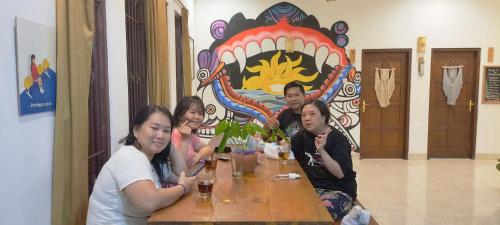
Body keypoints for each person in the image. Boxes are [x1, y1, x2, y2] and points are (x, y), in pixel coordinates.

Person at [87, 105, 195, 225]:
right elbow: (149, 202)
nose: (160, 134)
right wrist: (182, 188)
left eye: (166, 130)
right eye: (154, 128)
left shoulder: (151, 159)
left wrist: (168, 145)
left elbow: (183, 174)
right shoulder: (130, 157)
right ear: (136, 130)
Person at [291, 100, 357, 220]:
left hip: (338, 191)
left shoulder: (338, 139)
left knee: (318, 213)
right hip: (310, 188)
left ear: (324, 117)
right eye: (303, 115)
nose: (307, 118)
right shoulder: (302, 136)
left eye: (312, 114)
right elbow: (288, 154)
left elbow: (339, 173)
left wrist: (321, 150)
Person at [172, 96, 213, 167]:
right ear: (179, 115)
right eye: (193, 112)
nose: (197, 117)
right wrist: (185, 139)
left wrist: (197, 157)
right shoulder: (172, 134)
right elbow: (178, 166)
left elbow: (208, 149)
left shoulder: (189, 134)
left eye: (200, 113)